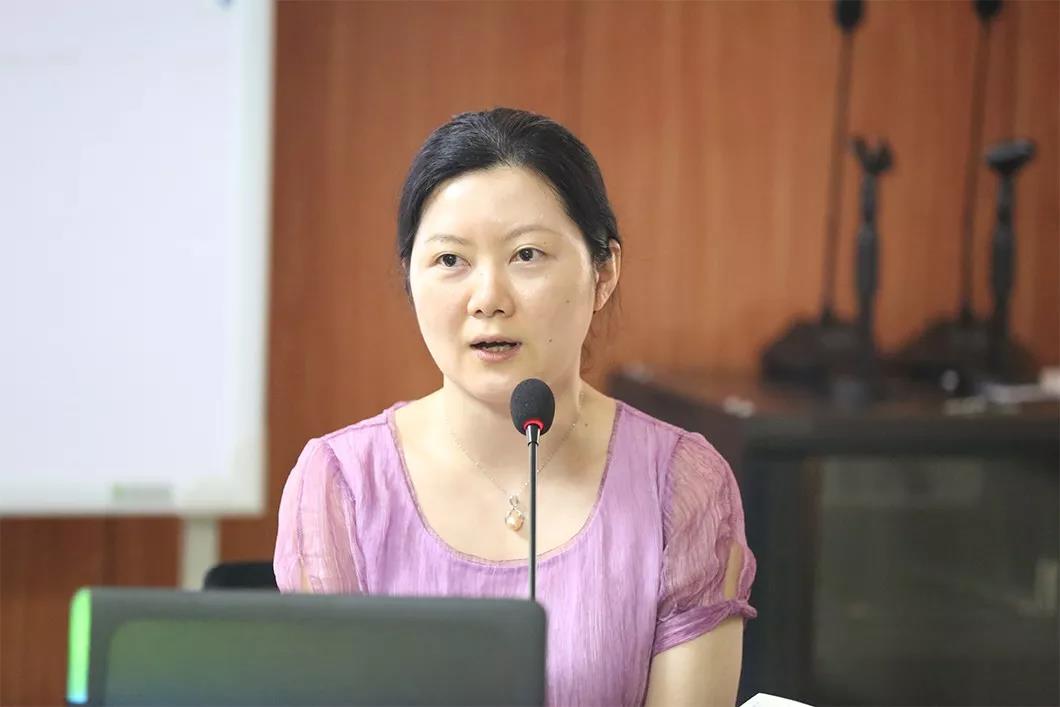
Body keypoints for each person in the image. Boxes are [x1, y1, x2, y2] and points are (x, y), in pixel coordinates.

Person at [274, 107, 757, 706]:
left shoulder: (681, 485)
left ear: (604, 273)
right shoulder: (341, 483)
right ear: (411, 278)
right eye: (450, 260)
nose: (488, 299)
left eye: (526, 255)